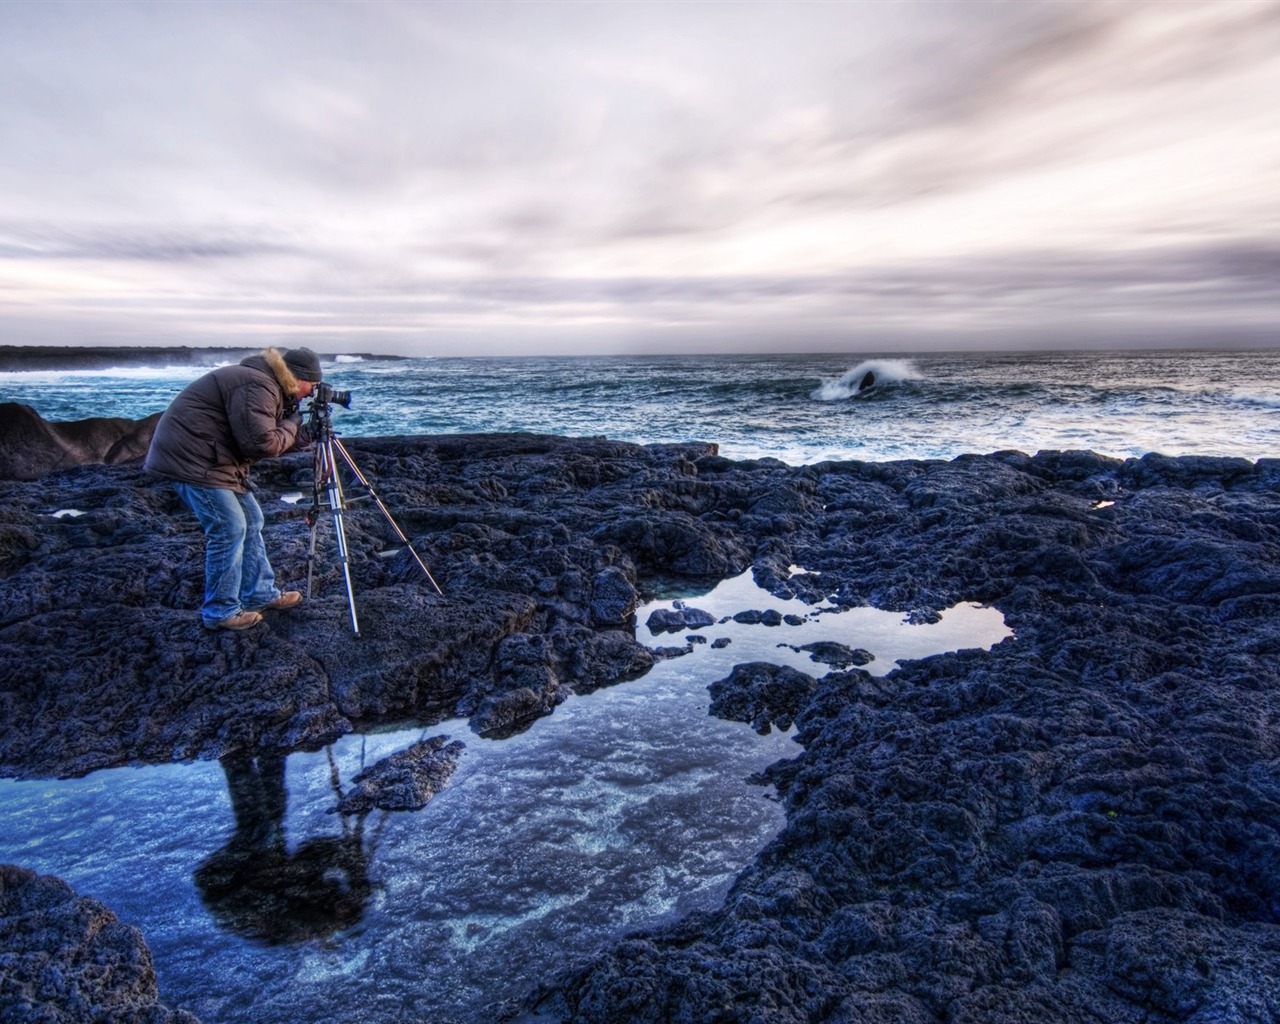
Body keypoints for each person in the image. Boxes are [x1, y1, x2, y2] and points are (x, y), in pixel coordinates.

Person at [145, 347, 322, 630]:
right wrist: (291, 422)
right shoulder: (258, 384)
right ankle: (220, 611)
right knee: (229, 529)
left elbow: (266, 438)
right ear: (297, 378)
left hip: (215, 459)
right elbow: (262, 444)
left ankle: (259, 593)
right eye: (311, 386)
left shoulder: (264, 383)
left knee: (252, 520)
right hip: (194, 461)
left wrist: (301, 433)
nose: (311, 393)